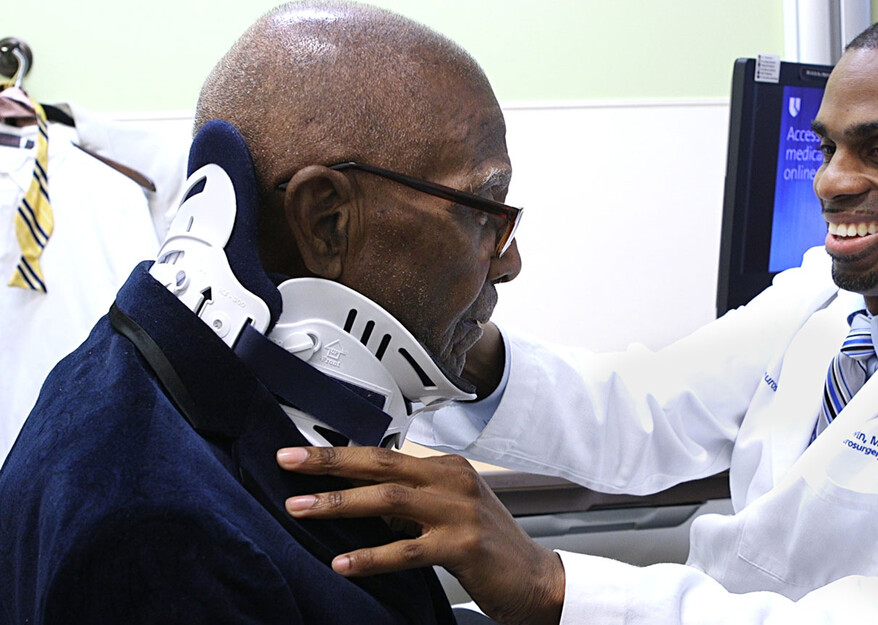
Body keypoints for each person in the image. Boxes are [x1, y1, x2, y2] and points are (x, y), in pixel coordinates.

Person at [278, 10, 878, 625]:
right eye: (828, 146)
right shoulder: (820, 297)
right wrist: (447, 335)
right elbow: (637, 411)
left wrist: (552, 584)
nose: (831, 181)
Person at [0, 2, 520, 623]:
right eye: (485, 212)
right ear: (327, 221)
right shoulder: (164, 535)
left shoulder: (142, 372)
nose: (509, 262)